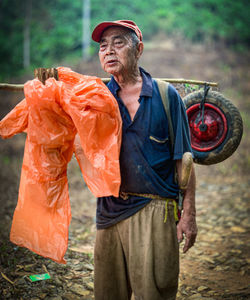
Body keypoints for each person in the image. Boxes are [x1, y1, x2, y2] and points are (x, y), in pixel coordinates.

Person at [91, 20, 197, 300]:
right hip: (109, 210)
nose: (108, 51)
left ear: (139, 49)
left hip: (155, 211)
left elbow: (184, 160)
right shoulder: (97, 98)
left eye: (118, 43)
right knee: (108, 293)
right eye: (103, 46)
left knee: (154, 293)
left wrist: (189, 215)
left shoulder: (166, 96)